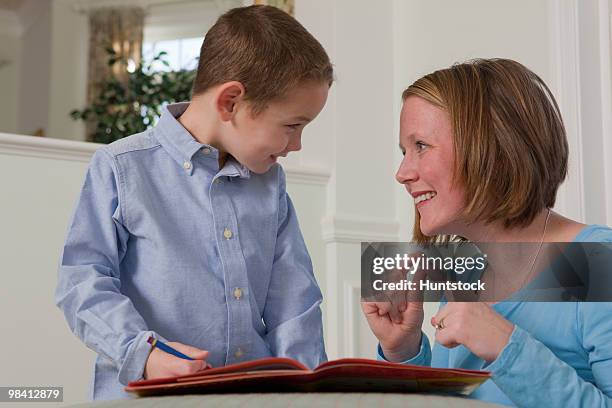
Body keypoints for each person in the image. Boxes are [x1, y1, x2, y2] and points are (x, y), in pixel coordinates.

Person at [55, 5, 332, 400]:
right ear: (231, 102)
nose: (297, 145)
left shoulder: (270, 186)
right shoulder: (121, 168)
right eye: (292, 126)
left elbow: (295, 304)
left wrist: (307, 391)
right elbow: (81, 282)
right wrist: (144, 355)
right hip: (149, 397)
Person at [362, 58, 612, 407]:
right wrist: (403, 351)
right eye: (404, 152)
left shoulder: (601, 262)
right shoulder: (462, 276)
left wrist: (505, 345)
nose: (402, 172)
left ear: (492, 147)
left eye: (421, 146)